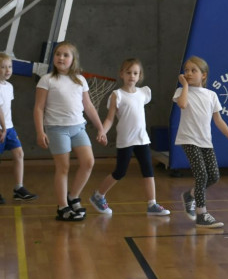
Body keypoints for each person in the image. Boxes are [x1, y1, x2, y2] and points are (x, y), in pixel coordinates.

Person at [33, 42, 107, 221]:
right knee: (63, 167)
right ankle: (62, 207)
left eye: (66, 55)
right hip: (57, 129)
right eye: (58, 54)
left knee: (88, 162)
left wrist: (100, 128)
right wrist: (40, 132)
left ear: (73, 59)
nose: (61, 58)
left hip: (78, 128)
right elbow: (39, 108)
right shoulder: (47, 80)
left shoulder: (80, 80)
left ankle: (73, 197)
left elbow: (88, 106)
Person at [91, 58, 169, 216]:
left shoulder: (143, 93)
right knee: (120, 172)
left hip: (142, 139)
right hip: (126, 140)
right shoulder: (117, 95)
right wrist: (102, 131)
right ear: (122, 74)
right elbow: (110, 119)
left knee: (148, 170)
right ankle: (98, 196)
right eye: (128, 72)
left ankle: (152, 204)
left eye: (135, 73)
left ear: (140, 76)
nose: (132, 76)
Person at [173, 55, 228, 228]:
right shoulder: (181, 91)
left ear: (203, 75)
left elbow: (219, 120)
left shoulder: (211, 95)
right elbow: (182, 104)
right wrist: (185, 85)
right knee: (202, 175)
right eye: (186, 70)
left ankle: (190, 195)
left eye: (193, 70)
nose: (188, 73)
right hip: (188, 139)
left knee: (213, 176)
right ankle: (202, 214)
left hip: (205, 142)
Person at [0, 52, 38, 204]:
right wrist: (3, 129)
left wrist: (9, 128)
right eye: (3, 67)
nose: (7, 70)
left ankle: (18, 188)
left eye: (9, 66)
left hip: (9, 128)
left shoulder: (9, 87)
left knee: (19, 154)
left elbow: (7, 109)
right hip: (2, 129)